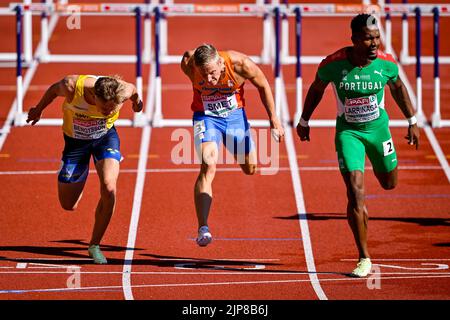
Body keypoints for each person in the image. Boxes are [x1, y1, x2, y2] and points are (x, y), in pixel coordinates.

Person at [296, 14, 420, 277]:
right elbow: (316, 89)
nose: (374, 44)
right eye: (367, 38)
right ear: (354, 39)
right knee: (355, 191)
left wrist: (412, 120)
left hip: (378, 132)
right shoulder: (333, 64)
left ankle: (370, 185)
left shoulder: (386, 63)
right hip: (349, 133)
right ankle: (364, 257)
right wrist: (304, 119)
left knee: (389, 183)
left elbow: (398, 88)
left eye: (376, 38)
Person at [26, 75, 143, 264]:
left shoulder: (123, 90)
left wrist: (137, 104)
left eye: (112, 108)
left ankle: (95, 245)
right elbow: (53, 90)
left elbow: (134, 91)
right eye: (103, 108)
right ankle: (79, 174)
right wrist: (38, 110)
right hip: (75, 144)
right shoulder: (72, 87)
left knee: (109, 187)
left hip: (105, 139)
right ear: (94, 96)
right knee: (68, 204)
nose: (107, 111)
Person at [181, 44, 285, 247]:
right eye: (204, 75)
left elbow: (263, 85)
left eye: (211, 73)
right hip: (206, 117)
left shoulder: (240, 64)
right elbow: (189, 54)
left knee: (250, 169)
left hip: (235, 117)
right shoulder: (189, 65)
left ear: (220, 62)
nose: (209, 79)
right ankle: (203, 227)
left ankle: (243, 148)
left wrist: (274, 120)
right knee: (207, 165)